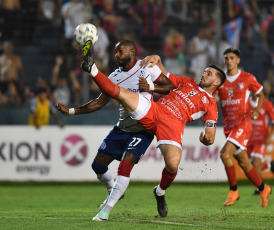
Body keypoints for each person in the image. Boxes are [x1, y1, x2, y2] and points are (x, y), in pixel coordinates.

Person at [78, 40, 226, 221]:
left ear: (217, 82)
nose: (204, 74)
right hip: (154, 110)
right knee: (121, 93)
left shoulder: (211, 104)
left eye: (209, 74)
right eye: (205, 71)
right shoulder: (187, 82)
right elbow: (165, 76)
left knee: (172, 165)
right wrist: (158, 59)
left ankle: (160, 191)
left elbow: (210, 132)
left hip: (173, 125)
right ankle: (92, 68)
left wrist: (207, 139)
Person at [56, 40, 175, 221]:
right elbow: (98, 103)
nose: (116, 55)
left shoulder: (147, 67)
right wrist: (71, 111)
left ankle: (106, 211)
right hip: (122, 129)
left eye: (120, 51)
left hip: (143, 130)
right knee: (97, 166)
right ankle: (113, 190)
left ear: (132, 52)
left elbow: (170, 87)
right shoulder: (113, 77)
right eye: (115, 51)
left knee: (125, 166)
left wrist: (151, 87)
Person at [216, 48, 272, 207]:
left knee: (225, 154)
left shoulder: (247, 78)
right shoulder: (220, 80)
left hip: (243, 124)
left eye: (232, 58)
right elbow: (214, 98)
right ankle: (263, 188)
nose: (228, 61)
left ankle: (234, 190)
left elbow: (261, 94)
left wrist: (257, 110)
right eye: (226, 58)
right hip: (228, 127)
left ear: (238, 60)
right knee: (244, 163)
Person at [247, 94, 274, 195]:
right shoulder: (245, 101)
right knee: (252, 165)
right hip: (248, 139)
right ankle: (269, 165)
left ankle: (260, 189)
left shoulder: (267, 104)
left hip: (261, 139)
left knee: (256, 163)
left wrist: (270, 136)